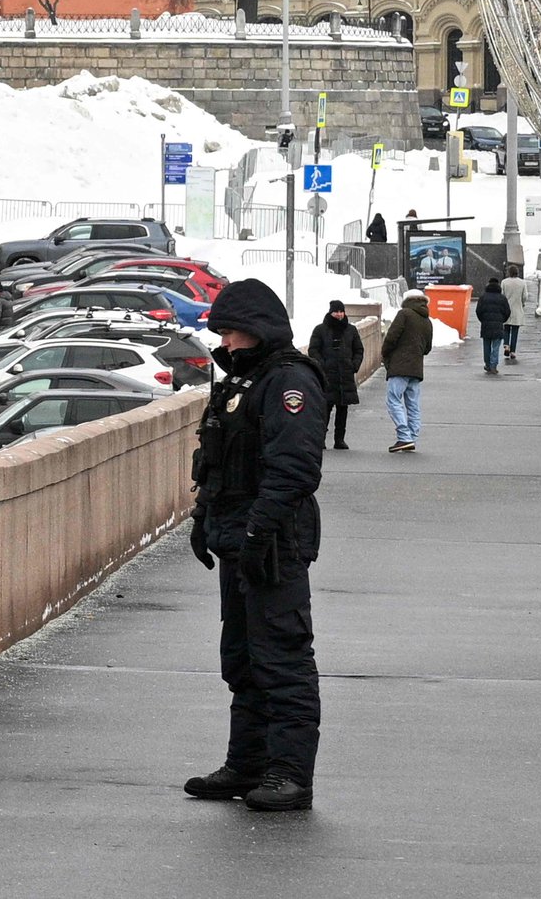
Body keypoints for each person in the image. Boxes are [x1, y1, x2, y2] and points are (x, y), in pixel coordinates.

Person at [184, 278, 326, 813]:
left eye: (231, 333)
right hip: (239, 541)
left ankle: (289, 774)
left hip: (273, 543)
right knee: (242, 659)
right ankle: (247, 763)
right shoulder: (243, 383)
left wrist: (257, 532)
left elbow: (292, 471)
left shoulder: (289, 383)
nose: (223, 344)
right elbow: (218, 463)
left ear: (258, 331)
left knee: (282, 658)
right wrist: (204, 520)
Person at [306, 300, 365, 450]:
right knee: (325, 408)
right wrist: (322, 365)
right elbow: (313, 350)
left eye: (341, 311)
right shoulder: (320, 330)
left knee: (343, 408)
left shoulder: (351, 330)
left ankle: (339, 440)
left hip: (345, 374)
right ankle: (321, 439)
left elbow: (359, 349)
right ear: (330, 312)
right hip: (327, 376)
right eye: (336, 311)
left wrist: (354, 365)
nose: (339, 314)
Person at [381, 289, 434, 452]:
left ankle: (404, 437)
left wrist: (385, 353)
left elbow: (391, 337)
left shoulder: (404, 314)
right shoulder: (427, 321)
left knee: (393, 400)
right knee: (413, 404)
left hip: (399, 366)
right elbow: (427, 348)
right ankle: (411, 437)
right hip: (416, 368)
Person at [475, 278, 512, 375]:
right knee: (496, 347)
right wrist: (502, 320)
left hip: (486, 325)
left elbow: (478, 311)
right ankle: (493, 366)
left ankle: (487, 364)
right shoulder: (502, 298)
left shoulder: (483, 297)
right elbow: (507, 312)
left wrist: (483, 320)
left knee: (486, 345)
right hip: (498, 325)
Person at [500, 265, 527, 363]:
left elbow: (501, 295)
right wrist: (522, 303)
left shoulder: (504, 282)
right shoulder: (522, 283)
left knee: (506, 328)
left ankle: (506, 345)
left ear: (509, 272)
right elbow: (525, 296)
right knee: (515, 330)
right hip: (517, 308)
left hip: (506, 308)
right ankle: (513, 352)